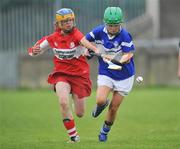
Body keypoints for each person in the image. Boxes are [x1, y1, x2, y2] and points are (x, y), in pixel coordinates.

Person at [28, 8, 99, 143]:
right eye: (65, 21)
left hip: (79, 75)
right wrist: (35, 51)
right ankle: (74, 137)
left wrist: (94, 49)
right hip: (62, 75)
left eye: (71, 20)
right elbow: (33, 51)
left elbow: (84, 41)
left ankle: (74, 97)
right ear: (59, 24)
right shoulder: (52, 38)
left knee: (80, 113)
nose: (69, 23)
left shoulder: (77, 34)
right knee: (62, 102)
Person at [86, 7, 135, 142]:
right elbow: (84, 40)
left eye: (116, 25)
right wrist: (88, 50)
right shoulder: (98, 31)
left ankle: (104, 131)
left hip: (124, 75)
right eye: (110, 25)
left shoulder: (125, 35)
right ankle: (101, 105)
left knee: (113, 108)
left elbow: (129, 54)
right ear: (105, 23)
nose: (113, 28)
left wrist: (117, 60)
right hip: (106, 71)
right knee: (100, 100)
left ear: (120, 24)